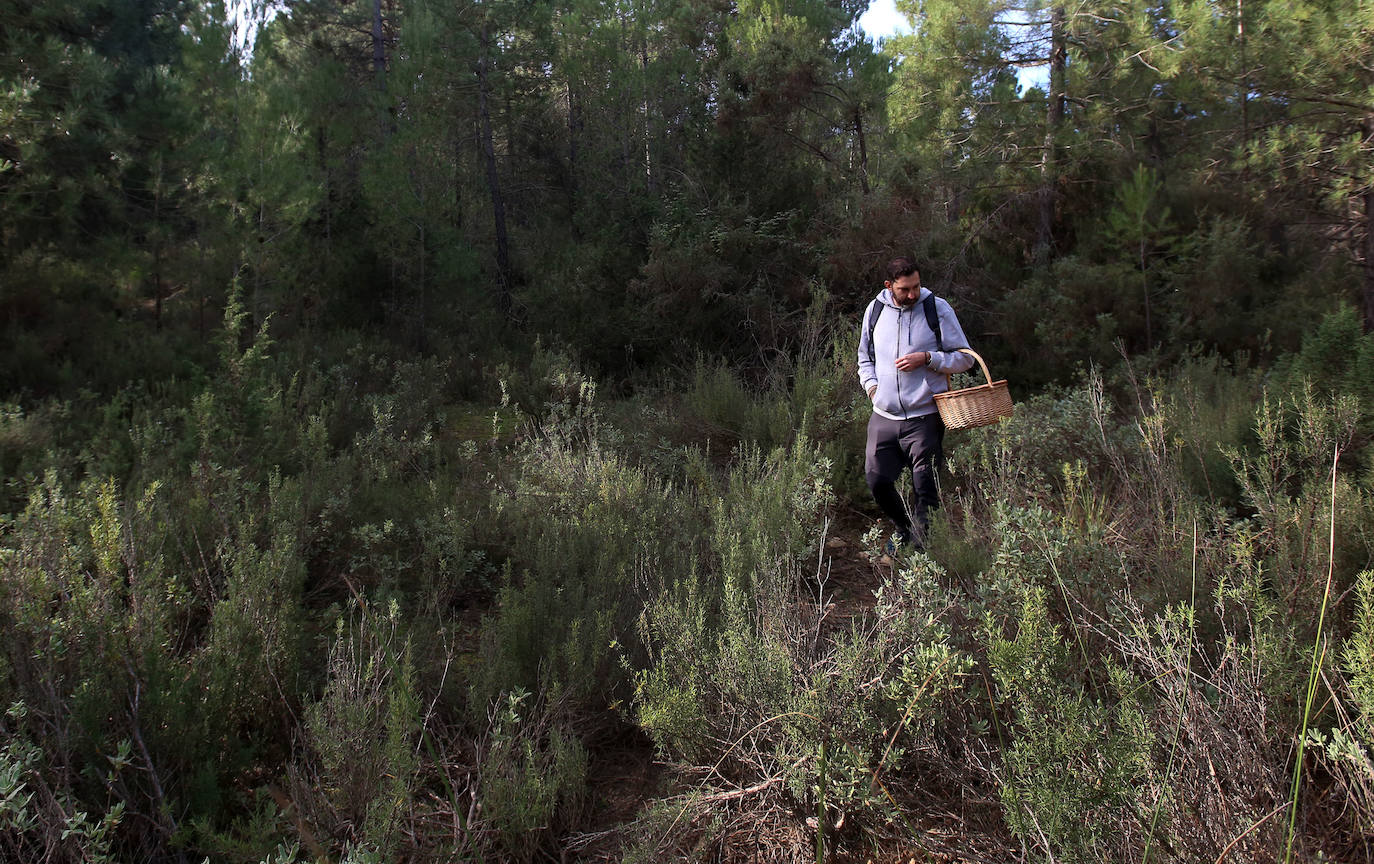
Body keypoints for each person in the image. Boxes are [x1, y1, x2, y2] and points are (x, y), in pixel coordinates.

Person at [856, 256, 975, 551]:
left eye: (916, 287)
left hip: (925, 417)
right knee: (877, 481)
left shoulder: (937, 308)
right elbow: (864, 358)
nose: (912, 294)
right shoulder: (875, 310)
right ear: (889, 286)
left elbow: (966, 358)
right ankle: (904, 529)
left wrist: (928, 358)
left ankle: (920, 556)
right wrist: (873, 390)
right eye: (905, 289)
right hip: (883, 417)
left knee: (926, 490)